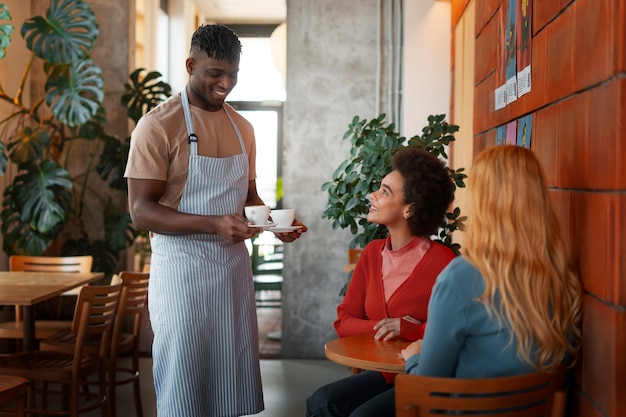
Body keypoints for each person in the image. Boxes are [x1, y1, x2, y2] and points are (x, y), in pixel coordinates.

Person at [124, 24, 306, 416]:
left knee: (229, 386)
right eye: (214, 74)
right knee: (183, 387)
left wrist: (276, 223)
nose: (226, 84)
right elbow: (141, 210)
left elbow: (250, 199)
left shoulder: (243, 128)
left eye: (233, 75)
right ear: (191, 65)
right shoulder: (157, 126)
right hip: (182, 275)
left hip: (231, 275)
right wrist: (214, 224)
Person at [401, 145, 582, 380]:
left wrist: (414, 357)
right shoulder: (561, 274)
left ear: (482, 204)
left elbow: (426, 385)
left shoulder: (458, 278)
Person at [307, 147, 457, 417]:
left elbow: (453, 333)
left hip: (426, 374)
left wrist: (409, 329)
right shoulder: (372, 253)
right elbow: (344, 322)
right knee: (320, 402)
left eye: (385, 191)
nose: (371, 195)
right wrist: (382, 326)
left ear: (409, 209)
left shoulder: (444, 262)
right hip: (386, 375)